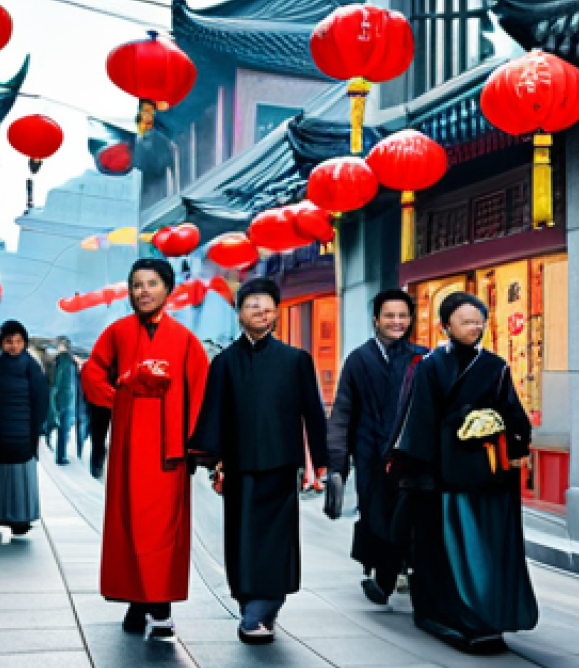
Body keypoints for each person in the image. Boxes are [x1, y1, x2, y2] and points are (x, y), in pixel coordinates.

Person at [391, 291, 537, 654]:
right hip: (446, 472)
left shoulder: (495, 366)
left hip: (488, 472)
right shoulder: (429, 366)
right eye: (467, 321)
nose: (475, 327)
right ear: (446, 326)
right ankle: (457, 616)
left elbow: (515, 415)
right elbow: (420, 420)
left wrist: (507, 437)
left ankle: (490, 616)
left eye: (479, 321)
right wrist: (421, 470)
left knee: (489, 547)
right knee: (454, 547)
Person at [190, 277, 328, 645]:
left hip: (282, 464)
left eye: (269, 308)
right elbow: (213, 413)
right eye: (253, 307)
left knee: (276, 539)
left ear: (277, 314)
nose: (262, 314)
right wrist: (210, 458)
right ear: (239, 314)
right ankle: (249, 601)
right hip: (238, 465)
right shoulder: (224, 362)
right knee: (242, 536)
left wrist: (324, 463)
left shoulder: (296, 360)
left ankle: (263, 607)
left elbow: (312, 413)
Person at [81, 259, 209, 641]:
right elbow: (92, 372)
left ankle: (159, 604)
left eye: (152, 283)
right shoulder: (117, 333)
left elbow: (201, 392)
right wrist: (117, 396)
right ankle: (136, 600)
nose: (144, 291)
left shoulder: (185, 340)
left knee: (163, 531)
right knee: (129, 526)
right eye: (137, 285)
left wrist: (196, 446)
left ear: (168, 289)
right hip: (128, 447)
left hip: (170, 450)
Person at [325, 289, 427, 605]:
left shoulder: (421, 358)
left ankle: (396, 573)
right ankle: (382, 574)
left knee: (407, 516)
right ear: (375, 320)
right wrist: (337, 464)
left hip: (409, 457)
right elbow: (342, 412)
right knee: (375, 515)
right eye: (389, 316)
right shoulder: (359, 359)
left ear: (410, 320)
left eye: (402, 316)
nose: (396, 322)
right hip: (369, 455)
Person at [0, 320, 50, 541]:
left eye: (18, 341)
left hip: (24, 433)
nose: (14, 346)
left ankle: (21, 520)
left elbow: (40, 401)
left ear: (24, 342)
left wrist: (36, 430)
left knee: (20, 475)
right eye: (9, 341)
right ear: (2, 343)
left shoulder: (33, 368)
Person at [50, 336, 78, 466]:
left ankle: (61, 455)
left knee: (64, 428)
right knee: (63, 428)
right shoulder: (65, 359)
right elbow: (58, 380)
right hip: (66, 398)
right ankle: (61, 456)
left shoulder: (66, 360)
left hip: (66, 398)